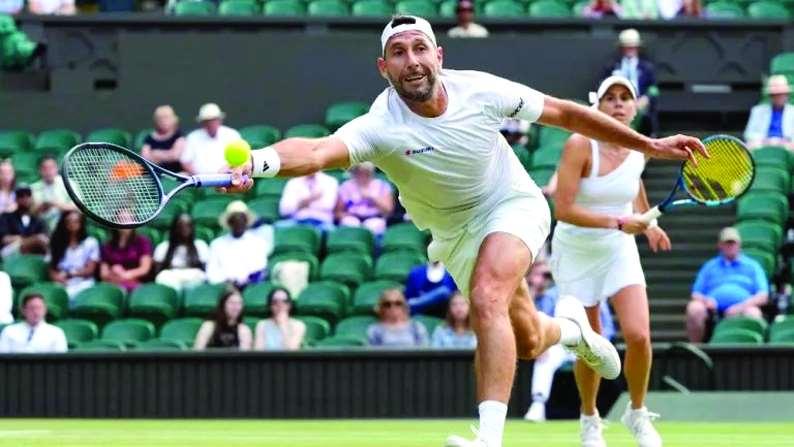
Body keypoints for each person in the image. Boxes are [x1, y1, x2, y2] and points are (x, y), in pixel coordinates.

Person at [223, 15, 704, 447]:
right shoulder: (379, 125)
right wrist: (257, 162)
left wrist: (649, 145)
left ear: (439, 55)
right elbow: (315, 152)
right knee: (529, 339)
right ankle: (573, 331)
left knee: (486, 295)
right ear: (384, 68)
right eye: (398, 53)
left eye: (420, 49)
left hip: (512, 204)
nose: (412, 61)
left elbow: (565, 113)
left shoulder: (481, 91)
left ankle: (489, 438)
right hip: (454, 234)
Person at [552, 75, 671, 446]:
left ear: (634, 108)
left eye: (625, 97)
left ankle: (637, 413)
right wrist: (620, 222)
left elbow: (633, 185)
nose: (619, 103)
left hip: (619, 248)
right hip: (576, 250)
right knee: (592, 344)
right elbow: (563, 209)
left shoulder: (637, 149)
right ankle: (589, 418)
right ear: (598, 106)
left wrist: (649, 223)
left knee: (639, 335)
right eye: (610, 98)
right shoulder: (579, 144)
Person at [522, 261, 615, 424]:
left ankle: (591, 409)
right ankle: (538, 404)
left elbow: (608, 327)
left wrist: (599, 344)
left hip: (588, 343)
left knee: (595, 358)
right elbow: (539, 322)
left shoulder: (595, 294)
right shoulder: (550, 294)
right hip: (559, 345)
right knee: (545, 358)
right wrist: (544, 345)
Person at [686, 227, 769, 343]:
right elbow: (695, 293)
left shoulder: (753, 266)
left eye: (733, 243)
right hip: (712, 308)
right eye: (727, 243)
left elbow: (763, 296)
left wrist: (740, 307)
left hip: (744, 306)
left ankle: (750, 351)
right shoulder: (710, 266)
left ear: (739, 245)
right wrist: (706, 300)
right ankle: (696, 347)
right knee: (694, 308)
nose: (730, 246)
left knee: (754, 314)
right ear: (720, 245)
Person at [602, 29, 658, 137]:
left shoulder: (647, 67)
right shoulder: (612, 66)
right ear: (621, 48)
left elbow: (654, 89)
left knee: (645, 117)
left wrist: (646, 98)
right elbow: (603, 86)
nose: (630, 50)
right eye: (627, 47)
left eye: (633, 47)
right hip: (618, 103)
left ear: (638, 48)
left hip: (640, 105)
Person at [206, 201, 270, 288]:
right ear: (230, 222)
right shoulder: (217, 244)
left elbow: (260, 267)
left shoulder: (257, 242)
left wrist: (245, 279)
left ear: (246, 221)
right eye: (235, 220)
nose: (238, 223)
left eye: (241, 219)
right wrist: (228, 279)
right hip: (225, 287)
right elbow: (211, 272)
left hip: (251, 286)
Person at [47, 210, 99, 300]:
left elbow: (90, 270)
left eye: (76, 221)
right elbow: (51, 269)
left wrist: (71, 273)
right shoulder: (56, 242)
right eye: (69, 221)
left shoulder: (90, 242)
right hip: (61, 281)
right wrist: (58, 278)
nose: (72, 224)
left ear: (81, 223)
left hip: (83, 282)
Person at [153, 214, 209, 293]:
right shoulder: (163, 247)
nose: (185, 229)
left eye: (188, 225)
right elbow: (158, 270)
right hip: (171, 275)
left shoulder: (200, 245)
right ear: (175, 228)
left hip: (193, 274)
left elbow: (205, 268)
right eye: (181, 226)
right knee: (162, 276)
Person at [180, 103, 241, 175]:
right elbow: (185, 161)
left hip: (228, 178)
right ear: (202, 123)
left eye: (214, 120)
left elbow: (240, 160)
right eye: (207, 121)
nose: (211, 123)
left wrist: (229, 171)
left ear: (220, 120)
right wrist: (198, 177)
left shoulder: (232, 134)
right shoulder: (192, 137)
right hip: (199, 179)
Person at [335, 162, 394, 236]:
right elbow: (338, 212)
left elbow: (388, 210)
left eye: (366, 173)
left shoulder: (382, 186)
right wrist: (347, 216)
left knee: (374, 226)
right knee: (349, 223)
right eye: (359, 172)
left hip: (374, 218)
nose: (362, 175)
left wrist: (372, 198)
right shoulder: (346, 186)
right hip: (352, 218)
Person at [0, 293, 67, 353]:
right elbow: (3, 357)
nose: (36, 312)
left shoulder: (56, 333)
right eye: (32, 308)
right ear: (23, 310)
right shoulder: (9, 331)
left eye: (39, 308)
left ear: (45, 309)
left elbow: (60, 360)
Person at [744, 75, 794, 150]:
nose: (779, 97)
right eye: (776, 95)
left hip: (787, 146)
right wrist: (766, 140)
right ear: (771, 96)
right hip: (762, 145)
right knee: (750, 145)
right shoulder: (757, 110)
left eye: (782, 94)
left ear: (787, 95)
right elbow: (748, 134)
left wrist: (783, 141)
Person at [0, 184, 49, 258]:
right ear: (16, 199)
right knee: (40, 239)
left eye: (28, 195)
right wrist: (32, 240)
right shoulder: (6, 216)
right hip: (10, 251)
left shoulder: (38, 219)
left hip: (35, 249)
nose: (25, 198)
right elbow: (5, 239)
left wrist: (29, 240)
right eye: (21, 196)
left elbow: (46, 237)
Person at [99, 227, 153, 292]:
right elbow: (103, 274)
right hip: (113, 283)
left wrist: (125, 274)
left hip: (136, 284)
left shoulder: (143, 242)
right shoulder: (107, 245)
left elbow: (144, 269)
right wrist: (114, 272)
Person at [31, 154, 75, 231]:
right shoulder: (33, 188)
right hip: (41, 227)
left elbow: (77, 207)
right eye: (45, 168)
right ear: (39, 170)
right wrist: (40, 208)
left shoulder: (69, 184)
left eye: (51, 167)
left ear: (57, 168)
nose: (48, 171)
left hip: (65, 225)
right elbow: (28, 213)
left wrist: (56, 205)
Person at [141, 105, 186, 173]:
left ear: (174, 119)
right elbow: (145, 158)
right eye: (160, 118)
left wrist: (156, 153)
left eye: (166, 117)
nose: (163, 121)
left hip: (174, 174)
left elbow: (175, 156)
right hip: (153, 174)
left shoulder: (179, 136)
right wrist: (167, 155)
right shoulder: (149, 137)